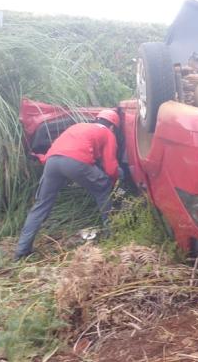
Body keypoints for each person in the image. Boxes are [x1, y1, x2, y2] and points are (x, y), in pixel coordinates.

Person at [14, 110, 120, 260]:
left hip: (52, 162)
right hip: (77, 162)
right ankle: (113, 235)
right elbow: (111, 166)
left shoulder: (77, 126)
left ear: (96, 119)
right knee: (103, 189)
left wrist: (41, 158)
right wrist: (114, 182)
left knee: (42, 204)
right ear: (113, 127)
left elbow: (57, 149)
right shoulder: (108, 133)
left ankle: (21, 250)